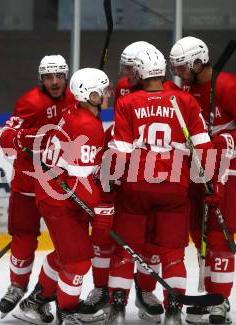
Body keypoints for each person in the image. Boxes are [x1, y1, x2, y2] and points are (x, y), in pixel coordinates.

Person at [107, 48, 214, 325]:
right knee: (172, 254)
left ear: (141, 72)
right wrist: (210, 186)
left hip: (136, 188)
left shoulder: (127, 103)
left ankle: (117, 312)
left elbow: (120, 150)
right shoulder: (186, 101)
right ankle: (174, 313)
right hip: (173, 189)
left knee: (123, 251)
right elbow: (204, 148)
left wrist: (110, 186)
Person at [169, 36, 236, 325]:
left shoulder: (230, 86)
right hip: (196, 163)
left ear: (198, 63)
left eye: (183, 67)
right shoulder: (184, 86)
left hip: (227, 165)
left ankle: (220, 299)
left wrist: (222, 142)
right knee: (199, 231)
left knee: (220, 234)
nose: (178, 74)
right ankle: (210, 293)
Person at [13, 68, 114, 325]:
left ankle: (34, 303)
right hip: (60, 200)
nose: (108, 94)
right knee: (78, 261)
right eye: (102, 90)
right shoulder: (86, 125)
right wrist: (100, 208)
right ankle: (67, 312)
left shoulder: (75, 112)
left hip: (56, 195)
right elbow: (79, 182)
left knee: (64, 255)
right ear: (87, 94)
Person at [77, 41, 165, 324]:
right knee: (106, 240)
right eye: (123, 68)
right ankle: (103, 289)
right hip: (118, 168)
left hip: (151, 175)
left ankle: (145, 289)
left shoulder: (166, 90)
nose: (125, 74)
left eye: (130, 68)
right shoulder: (122, 88)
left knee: (150, 239)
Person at [0, 55, 76, 319]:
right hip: (28, 184)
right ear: (40, 79)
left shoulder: (75, 98)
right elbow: (5, 138)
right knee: (23, 235)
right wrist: (28, 139)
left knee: (67, 246)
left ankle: (43, 296)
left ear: (66, 76)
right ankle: (17, 286)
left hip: (59, 186)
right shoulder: (30, 103)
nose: (54, 82)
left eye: (59, 76)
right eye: (48, 77)